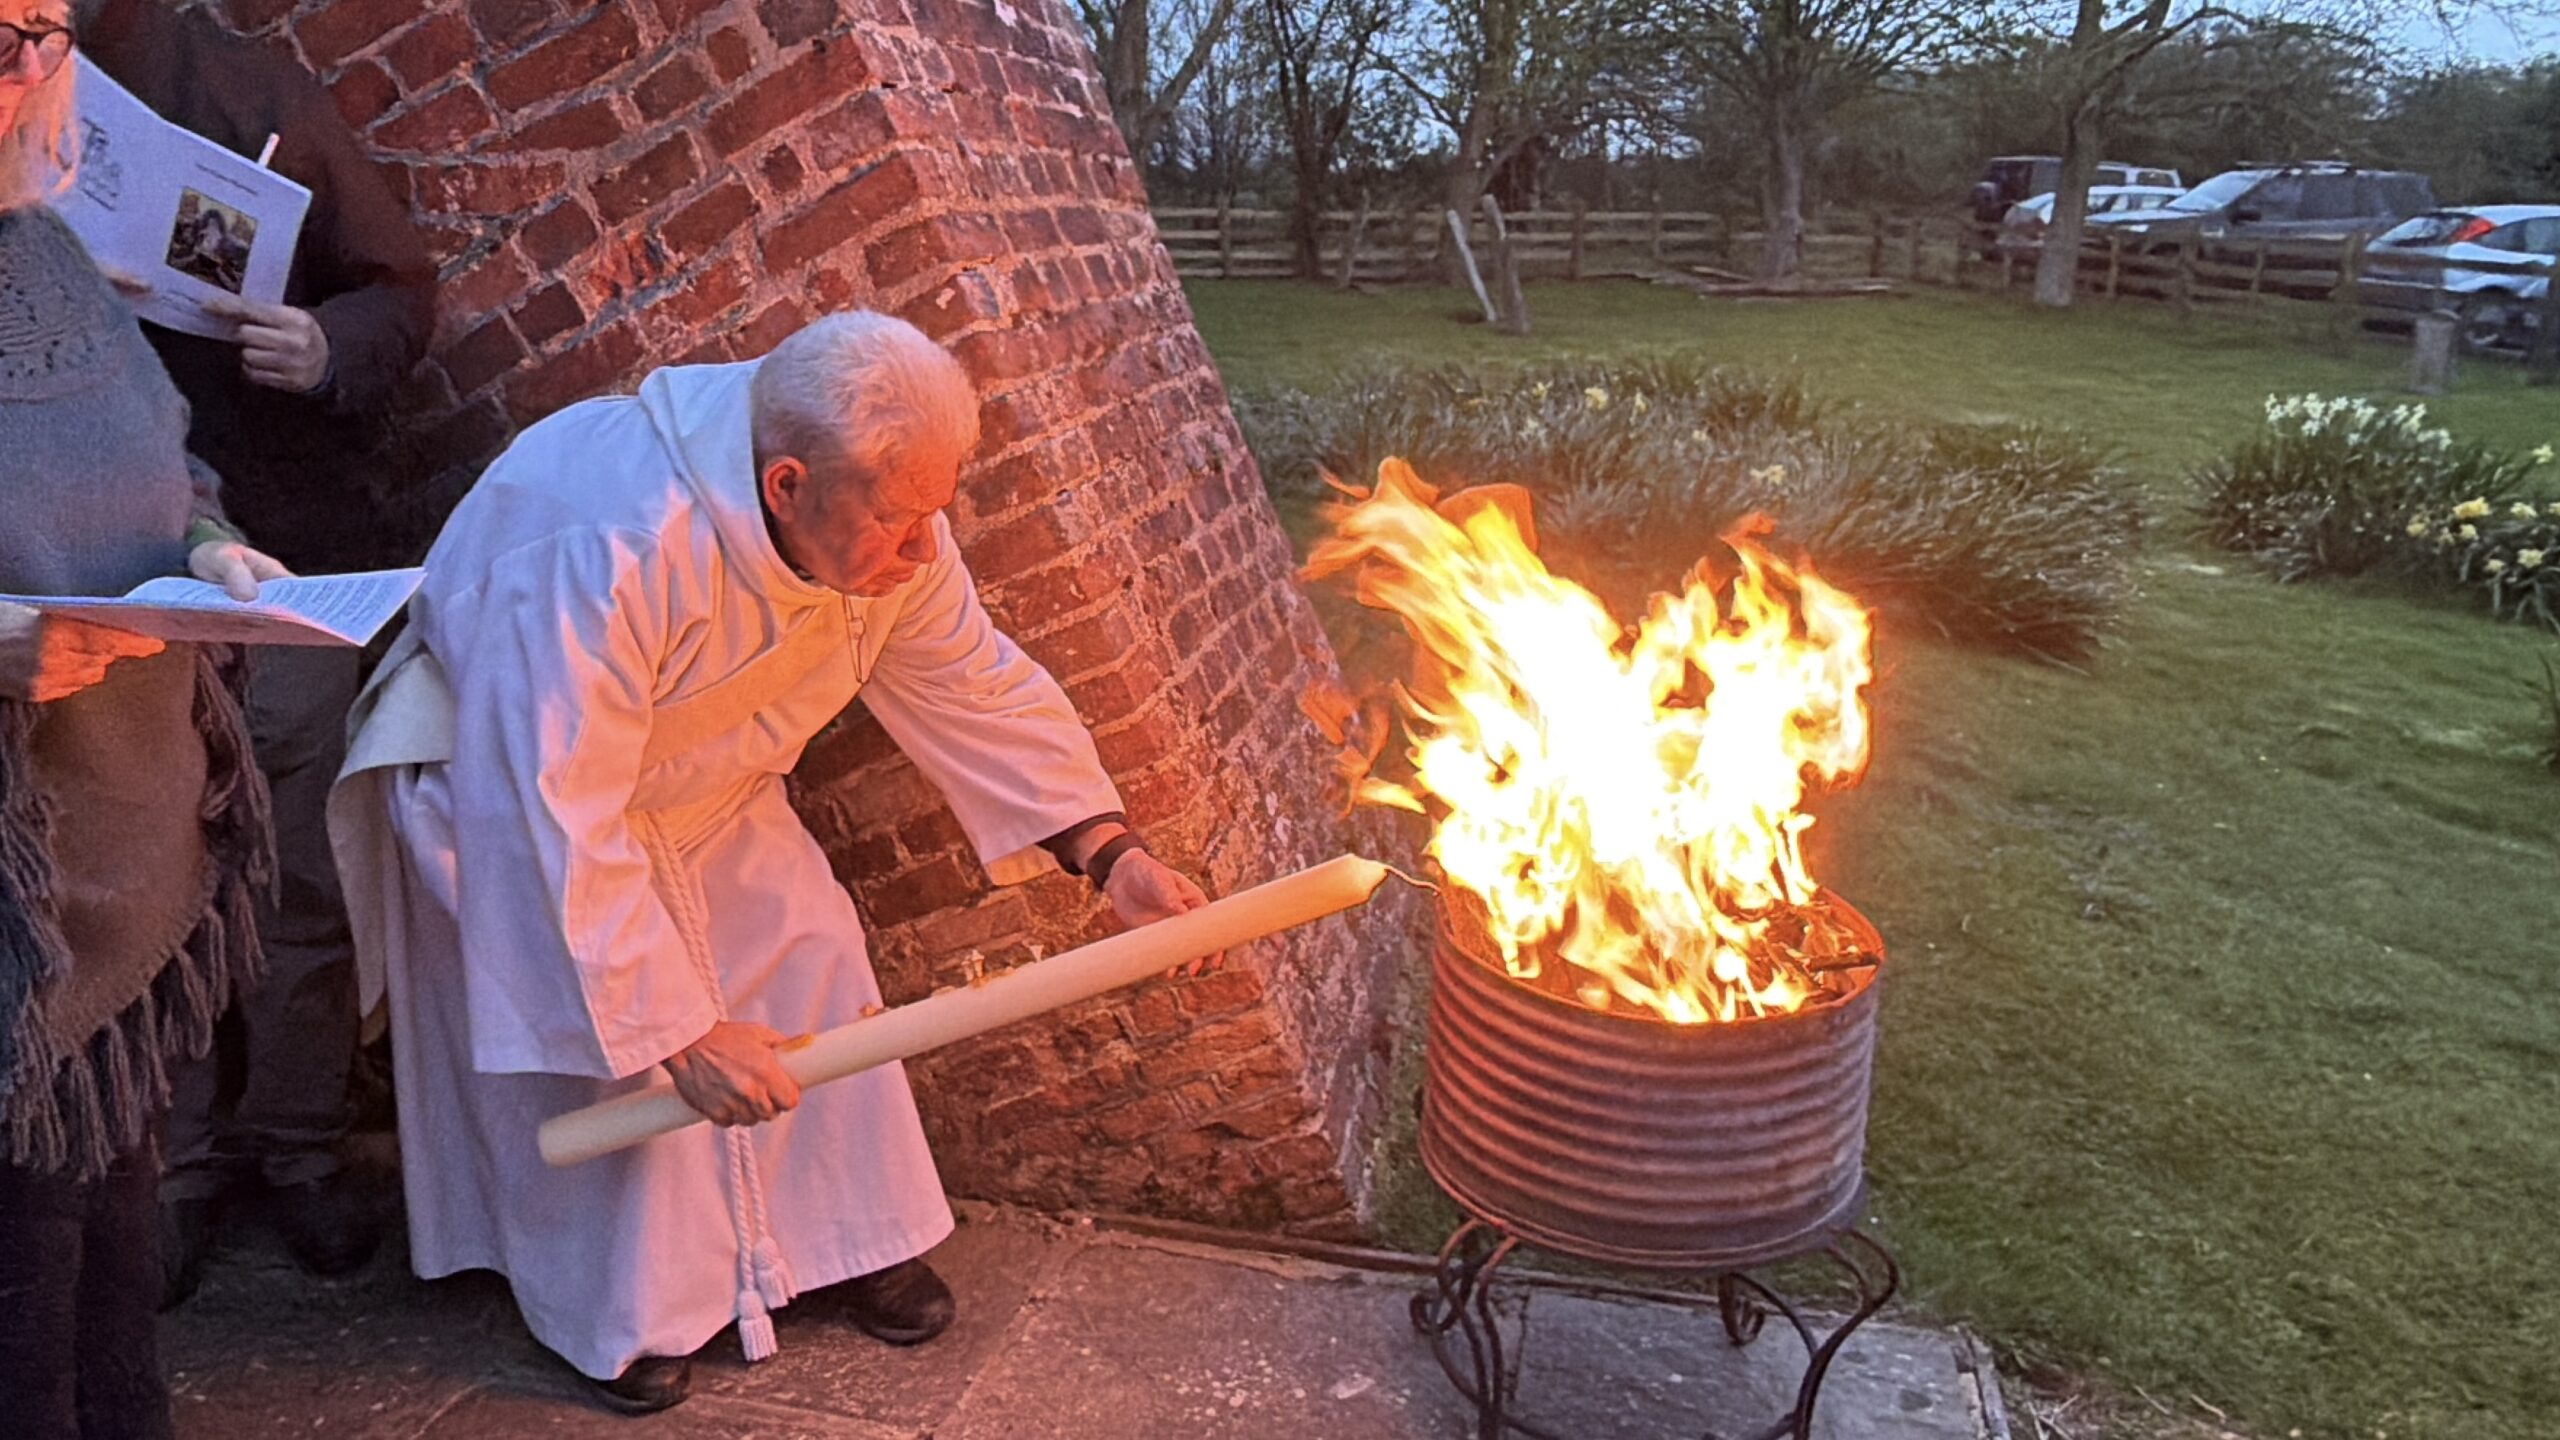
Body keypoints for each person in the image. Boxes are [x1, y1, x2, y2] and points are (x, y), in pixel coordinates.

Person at [330, 311, 1214, 1413]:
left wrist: (1109, 853)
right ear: (787, 485)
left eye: (934, 515)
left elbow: (972, 680)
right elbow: (551, 804)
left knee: (812, 954)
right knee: (618, 1056)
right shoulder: (605, 539)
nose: (924, 552)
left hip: (706, 791)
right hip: (507, 803)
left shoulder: (884, 508)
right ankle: (624, 1312)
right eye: (897, 523)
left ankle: (846, 1238)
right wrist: (676, 1031)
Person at [78, 0, 440, 1303]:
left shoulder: (248, 85)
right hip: (109, 568)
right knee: (142, 886)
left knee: (298, 873)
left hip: (288, 545)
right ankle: (171, 1170)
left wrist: (329, 345)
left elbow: (397, 287)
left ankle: (297, 1147)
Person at [0, 13, 287, 1437]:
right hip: (15, 898)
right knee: (21, 1278)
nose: (27, 70)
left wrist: (215, 545)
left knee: (110, 1229)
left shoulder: (44, 247)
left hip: (118, 827)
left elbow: (164, 461)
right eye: (2, 34)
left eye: (43, 32)